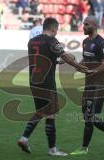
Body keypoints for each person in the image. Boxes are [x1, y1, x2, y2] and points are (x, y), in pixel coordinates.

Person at [17, 17, 88, 156]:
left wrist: (59, 61)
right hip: (47, 83)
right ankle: (52, 149)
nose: (57, 32)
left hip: (34, 81)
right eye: (57, 30)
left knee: (40, 112)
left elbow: (45, 58)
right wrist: (77, 66)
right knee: (51, 114)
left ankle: (24, 138)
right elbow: (64, 56)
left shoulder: (32, 41)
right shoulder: (51, 40)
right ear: (53, 29)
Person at [70, 16, 104, 155]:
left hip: (98, 85)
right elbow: (86, 59)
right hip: (89, 84)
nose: (83, 26)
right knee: (90, 116)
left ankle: (83, 148)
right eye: (83, 24)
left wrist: (93, 70)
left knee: (88, 117)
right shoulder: (86, 42)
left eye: (86, 24)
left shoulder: (101, 43)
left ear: (94, 25)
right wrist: (78, 65)